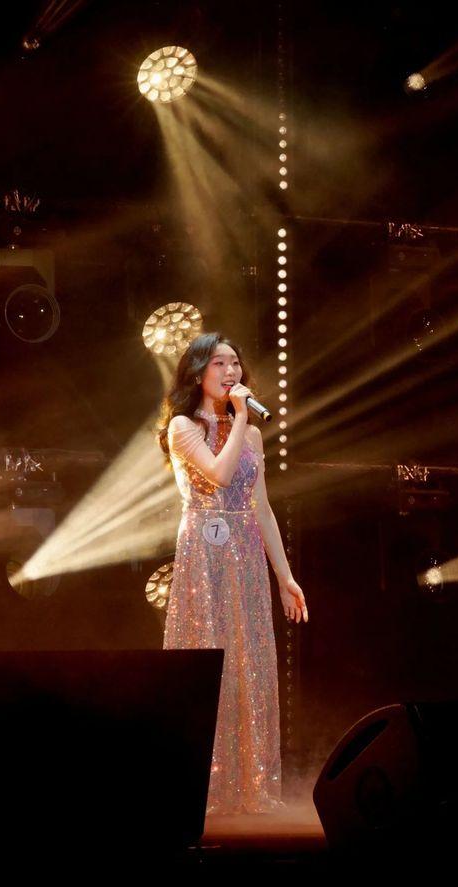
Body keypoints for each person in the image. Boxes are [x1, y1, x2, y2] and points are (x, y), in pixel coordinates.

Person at [156, 332, 308, 815]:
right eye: (219, 363)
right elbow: (219, 476)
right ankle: (202, 786)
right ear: (198, 372)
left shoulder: (253, 435)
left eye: (235, 363)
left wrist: (284, 576)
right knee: (208, 658)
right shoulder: (183, 426)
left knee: (251, 660)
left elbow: (261, 506)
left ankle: (252, 785)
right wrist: (240, 416)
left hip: (244, 550)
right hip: (204, 552)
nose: (230, 371)